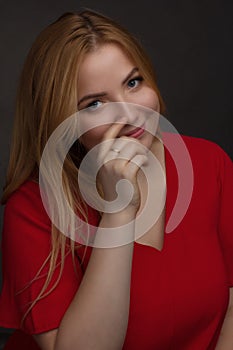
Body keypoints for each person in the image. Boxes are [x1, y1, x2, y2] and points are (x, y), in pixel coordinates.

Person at [0, 9, 232, 350]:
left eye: (133, 82)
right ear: (61, 121)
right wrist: (118, 213)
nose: (128, 113)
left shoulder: (209, 163)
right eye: (94, 103)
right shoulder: (33, 208)